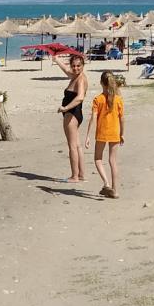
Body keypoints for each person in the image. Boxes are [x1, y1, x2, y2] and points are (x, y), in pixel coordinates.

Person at [83, 70, 125, 198]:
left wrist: (88, 136)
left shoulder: (98, 99)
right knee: (113, 161)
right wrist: (122, 134)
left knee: (98, 159)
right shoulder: (118, 99)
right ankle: (115, 190)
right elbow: (122, 118)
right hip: (115, 132)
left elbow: (93, 118)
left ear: (101, 83)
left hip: (102, 132)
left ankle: (106, 184)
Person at [53, 52, 88, 183]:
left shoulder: (81, 79)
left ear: (83, 65)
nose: (76, 68)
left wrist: (65, 108)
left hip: (72, 114)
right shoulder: (74, 76)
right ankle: (82, 175)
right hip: (74, 114)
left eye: (78, 66)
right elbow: (66, 70)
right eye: (74, 66)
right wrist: (56, 59)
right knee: (77, 145)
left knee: (72, 146)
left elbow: (80, 97)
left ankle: (74, 176)